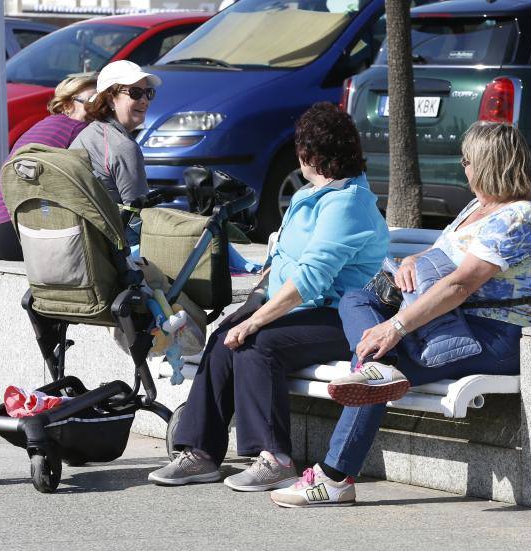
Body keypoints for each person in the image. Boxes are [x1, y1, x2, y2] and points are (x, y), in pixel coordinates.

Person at [270, 120, 531, 508]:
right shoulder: (480, 206)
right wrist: (411, 262)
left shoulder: (518, 217)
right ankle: (380, 369)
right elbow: (444, 254)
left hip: (493, 334)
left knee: (372, 359)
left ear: (490, 164)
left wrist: (395, 326)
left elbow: (459, 285)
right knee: (356, 299)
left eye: (467, 160)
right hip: (446, 318)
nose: (463, 167)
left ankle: (336, 477)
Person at [148, 102, 390, 491]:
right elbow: (282, 263)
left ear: (309, 155)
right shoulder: (311, 194)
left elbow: (311, 279)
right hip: (295, 310)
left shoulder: (348, 203)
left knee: (259, 345)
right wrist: (252, 305)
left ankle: (275, 458)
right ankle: (201, 452)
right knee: (225, 339)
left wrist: (256, 320)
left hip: (339, 317)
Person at [0, 74, 97, 261]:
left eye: (102, 102)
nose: (98, 109)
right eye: (92, 102)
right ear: (67, 105)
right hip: (16, 236)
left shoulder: (43, 125)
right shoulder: (79, 129)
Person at [69, 60, 158, 206]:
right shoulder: (123, 146)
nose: (144, 101)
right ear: (111, 100)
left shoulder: (90, 132)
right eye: (135, 93)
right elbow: (141, 215)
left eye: (148, 93)